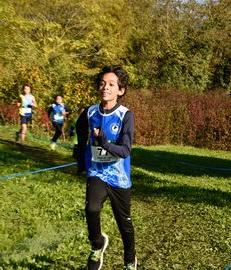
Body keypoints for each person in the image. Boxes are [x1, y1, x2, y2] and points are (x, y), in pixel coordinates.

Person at [76, 65, 137, 270]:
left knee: (124, 224)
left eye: (111, 84)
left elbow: (125, 150)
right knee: (91, 208)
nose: (105, 87)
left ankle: (129, 260)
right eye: (102, 83)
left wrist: (104, 141)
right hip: (97, 172)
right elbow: (80, 130)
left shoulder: (125, 115)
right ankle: (97, 244)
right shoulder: (90, 112)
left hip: (119, 177)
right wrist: (80, 156)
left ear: (120, 90)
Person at [16, 83, 37, 147]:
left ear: (30, 90)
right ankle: (22, 143)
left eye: (28, 89)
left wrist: (32, 104)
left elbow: (36, 105)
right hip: (22, 112)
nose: (26, 90)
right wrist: (18, 104)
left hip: (28, 113)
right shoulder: (21, 96)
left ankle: (19, 134)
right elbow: (18, 102)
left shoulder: (32, 97)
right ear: (23, 89)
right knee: (24, 127)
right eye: (25, 89)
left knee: (24, 128)